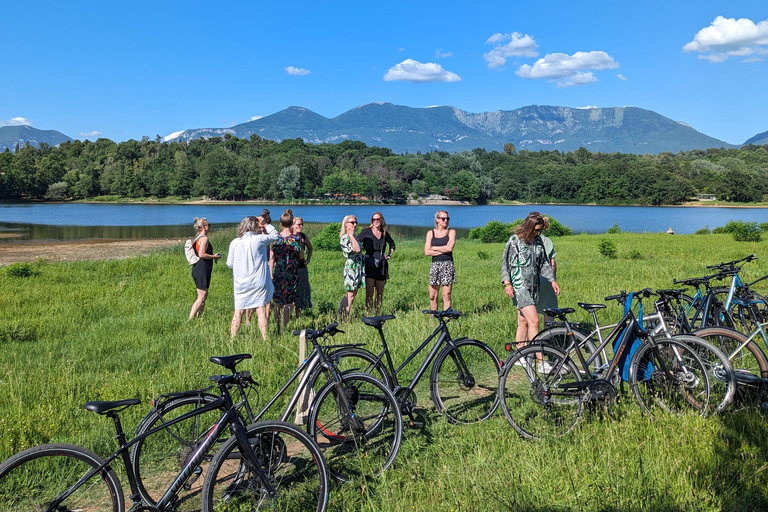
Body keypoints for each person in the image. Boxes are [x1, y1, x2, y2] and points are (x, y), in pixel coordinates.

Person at [502, 212, 561, 352]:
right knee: (534, 321)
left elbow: (544, 264)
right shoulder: (514, 241)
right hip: (519, 285)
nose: (538, 232)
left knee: (523, 321)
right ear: (528, 226)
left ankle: (519, 353)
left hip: (533, 286)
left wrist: (552, 280)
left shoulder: (539, 241)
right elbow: (505, 263)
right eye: (535, 229)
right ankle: (539, 359)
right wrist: (507, 283)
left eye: (540, 230)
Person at [226, 214, 279, 339]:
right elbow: (275, 236)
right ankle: (265, 339)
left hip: (240, 282)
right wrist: (265, 224)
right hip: (258, 281)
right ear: (255, 227)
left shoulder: (235, 242)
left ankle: (232, 339)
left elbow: (229, 264)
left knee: (238, 311)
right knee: (260, 310)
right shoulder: (259, 239)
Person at [269, 209, 303, 334]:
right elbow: (300, 257)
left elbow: (271, 258)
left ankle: (278, 328)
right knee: (289, 301)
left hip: (278, 270)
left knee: (278, 301)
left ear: (281, 223)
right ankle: (284, 327)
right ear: (291, 223)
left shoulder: (274, 238)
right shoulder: (296, 239)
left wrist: (271, 273)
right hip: (291, 271)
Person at [358, 211, 395, 314]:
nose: (376, 221)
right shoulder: (366, 231)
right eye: (374, 219)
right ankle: (368, 313)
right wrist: (358, 254)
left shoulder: (384, 233)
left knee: (380, 292)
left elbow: (392, 245)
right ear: (372, 221)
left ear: (382, 220)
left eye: (378, 219)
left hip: (381, 265)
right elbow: (357, 241)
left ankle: (377, 314)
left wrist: (389, 255)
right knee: (369, 292)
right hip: (369, 263)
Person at [189, 217, 221, 320]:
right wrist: (214, 257)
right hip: (201, 269)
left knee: (204, 296)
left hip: (200, 268)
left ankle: (199, 318)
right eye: (209, 225)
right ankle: (190, 319)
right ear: (204, 227)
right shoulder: (204, 238)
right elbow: (202, 254)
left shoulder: (198, 237)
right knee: (201, 297)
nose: (210, 227)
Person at [424, 210, 456, 311]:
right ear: (437, 220)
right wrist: (443, 250)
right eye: (443, 218)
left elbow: (450, 248)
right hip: (435, 265)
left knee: (446, 295)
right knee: (432, 296)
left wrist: (433, 247)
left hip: (447, 264)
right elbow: (427, 251)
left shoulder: (451, 232)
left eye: (447, 218)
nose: (445, 220)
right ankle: (434, 315)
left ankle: (447, 317)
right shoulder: (430, 233)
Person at [338, 214, 365, 318]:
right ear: (346, 224)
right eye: (352, 223)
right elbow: (357, 250)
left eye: (355, 222)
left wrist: (353, 236)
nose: (354, 225)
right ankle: (344, 316)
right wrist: (351, 235)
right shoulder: (345, 238)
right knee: (350, 294)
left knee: (353, 293)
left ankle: (341, 314)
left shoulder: (354, 237)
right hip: (352, 267)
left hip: (358, 265)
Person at [535, 216, 558, 325]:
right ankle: (548, 338)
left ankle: (527, 340)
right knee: (549, 313)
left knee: (529, 316)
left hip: (533, 280)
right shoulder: (547, 241)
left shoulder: (527, 240)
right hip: (547, 279)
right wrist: (553, 280)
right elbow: (553, 264)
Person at [292, 216, 313, 315]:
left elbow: (310, 248)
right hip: (290, 268)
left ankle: (298, 314)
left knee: (302, 291)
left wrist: (308, 259)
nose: (301, 226)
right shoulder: (288, 237)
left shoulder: (303, 237)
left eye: (302, 224)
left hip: (301, 267)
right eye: (298, 224)